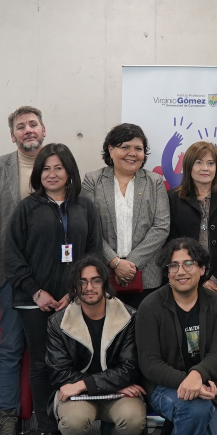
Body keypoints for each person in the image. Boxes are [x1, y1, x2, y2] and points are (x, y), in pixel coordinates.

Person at [7, 142, 103, 435]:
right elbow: (12, 255)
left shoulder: (85, 207)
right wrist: (36, 291)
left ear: (69, 172)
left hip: (73, 301)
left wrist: (74, 292)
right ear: (38, 173)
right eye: (46, 168)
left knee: (71, 365)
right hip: (34, 301)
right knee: (40, 365)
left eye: (58, 168)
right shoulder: (27, 208)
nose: (52, 174)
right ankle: (48, 431)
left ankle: (69, 428)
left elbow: (93, 254)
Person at [0, 105, 47, 435]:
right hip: (9, 277)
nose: (28, 130)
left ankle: (52, 418)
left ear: (43, 130)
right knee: (11, 347)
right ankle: (8, 417)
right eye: (21, 126)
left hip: (53, 279)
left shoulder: (58, 165)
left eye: (33, 124)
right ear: (12, 134)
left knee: (54, 350)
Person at [137, 239, 217, 435]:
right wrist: (189, 381)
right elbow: (149, 364)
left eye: (188, 264)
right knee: (196, 407)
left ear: (202, 269)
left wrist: (198, 375)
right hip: (163, 387)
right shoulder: (150, 306)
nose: (181, 271)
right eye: (173, 266)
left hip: (206, 386)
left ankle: (177, 430)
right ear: (167, 272)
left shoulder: (216, 304)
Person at [49, 256, 145, 435]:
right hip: (81, 396)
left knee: (133, 419)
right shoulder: (58, 322)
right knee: (73, 422)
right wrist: (111, 383)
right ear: (74, 286)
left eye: (96, 280)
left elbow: (131, 367)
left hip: (110, 393)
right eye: (82, 282)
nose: (89, 287)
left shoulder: (129, 317)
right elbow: (58, 372)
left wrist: (88, 384)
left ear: (106, 283)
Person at [84, 123, 171, 310]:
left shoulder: (154, 181)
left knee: (144, 333)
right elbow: (89, 228)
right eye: (125, 147)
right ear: (111, 149)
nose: (132, 153)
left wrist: (131, 264)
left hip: (146, 277)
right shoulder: (93, 180)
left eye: (138, 149)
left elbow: (162, 226)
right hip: (104, 275)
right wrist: (115, 263)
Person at [167, 140, 217, 297]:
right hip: (184, 279)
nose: (205, 168)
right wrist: (189, 275)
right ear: (189, 166)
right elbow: (170, 242)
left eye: (211, 163)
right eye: (199, 162)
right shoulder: (173, 198)